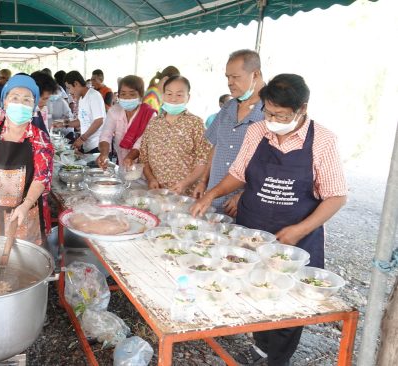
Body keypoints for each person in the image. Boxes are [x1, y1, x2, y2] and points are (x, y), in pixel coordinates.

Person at [191, 73, 347, 366]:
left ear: (302, 109)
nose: (272, 119)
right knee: (253, 290)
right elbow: (238, 173)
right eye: (268, 111)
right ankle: (260, 346)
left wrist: (300, 230)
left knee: (288, 305)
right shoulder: (257, 131)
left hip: (295, 238)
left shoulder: (322, 140)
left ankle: (276, 358)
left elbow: (337, 196)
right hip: (252, 229)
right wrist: (211, 195)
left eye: (281, 114)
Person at [0, 75, 54, 245]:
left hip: (23, 215)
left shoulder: (40, 138)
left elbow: (42, 177)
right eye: (15, 98)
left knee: (23, 266)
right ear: (4, 102)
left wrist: (26, 204)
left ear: (33, 106)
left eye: (27, 100)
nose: (20, 104)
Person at [194, 49, 266, 216]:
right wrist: (203, 181)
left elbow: (275, 165)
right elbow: (217, 146)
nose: (230, 82)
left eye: (236, 77)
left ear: (255, 74)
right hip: (214, 200)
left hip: (245, 204)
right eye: (227, 77)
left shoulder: (271, 111)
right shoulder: (228, 107)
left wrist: (245, 194)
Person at [141, 75, 212, 196]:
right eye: (169, 94)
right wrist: (151, 178)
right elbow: (144, 157)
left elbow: (204, 160)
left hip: (185, 194)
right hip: (157, 192)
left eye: (179, 95)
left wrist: (185, 183)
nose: (173, 99)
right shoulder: (154, 123)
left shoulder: (195, 123)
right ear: (163, 96)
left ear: (188, 97)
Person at [96, 75, 155, 169]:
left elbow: (141, 142)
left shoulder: (149, 115)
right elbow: (105, 135)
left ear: (140, 95)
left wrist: (130, 157)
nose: (127, 98)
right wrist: (104, 154)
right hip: (123, 164)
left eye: (132, 94)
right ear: (118, 95)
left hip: (145, 168)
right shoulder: (114, 111)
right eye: (123, 94)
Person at [59, 70, 106, 153]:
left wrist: (82, 138)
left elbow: (99, 121)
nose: (69, 92)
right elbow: (81, 120)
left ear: (76, 83)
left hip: (98, 145)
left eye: (69, 88)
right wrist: (63, 123)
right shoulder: (81, 98)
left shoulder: (93, 95)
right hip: (88, 145)